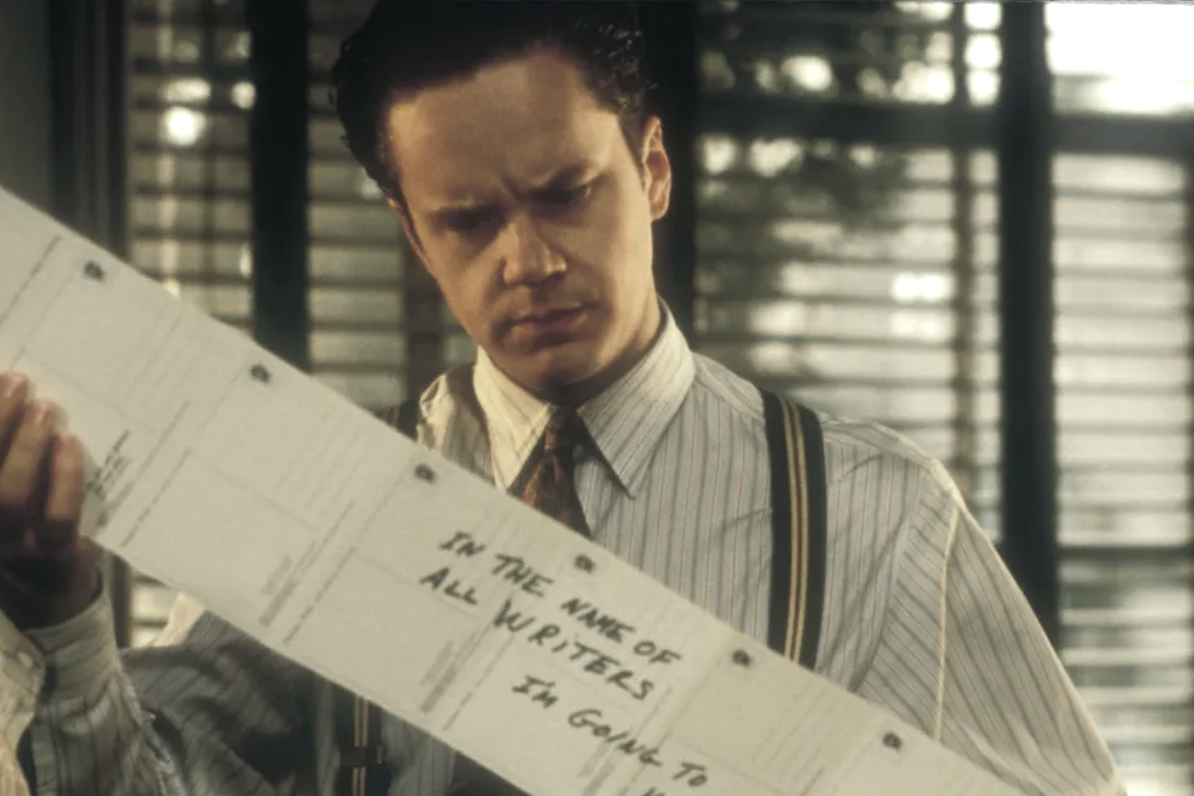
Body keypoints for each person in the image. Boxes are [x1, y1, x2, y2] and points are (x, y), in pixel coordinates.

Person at [0, 2, 1124, 795]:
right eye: (468, 221)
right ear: (413, 236)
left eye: (567, 193)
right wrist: (61, 608)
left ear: (654, 170)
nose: (528, 261)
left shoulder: (881, 514)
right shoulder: (320, 504)